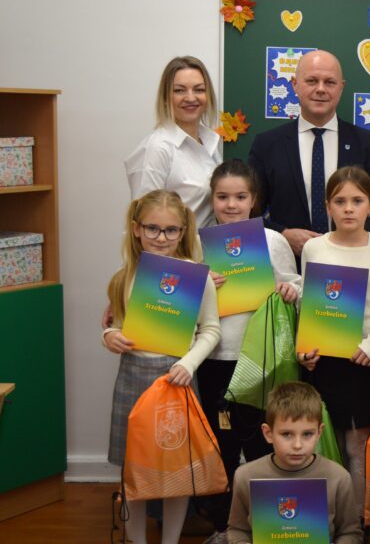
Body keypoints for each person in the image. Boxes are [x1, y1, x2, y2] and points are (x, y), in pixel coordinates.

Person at [102, 189, 221, 544]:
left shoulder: (197, 276)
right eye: (152, 228)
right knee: (134, 470)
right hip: (133, 377)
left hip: (177, 379)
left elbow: (211, 330)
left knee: (176, 470)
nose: (161, 237)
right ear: (137, 229)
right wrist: (109, 336)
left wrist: (189, 362)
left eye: (171, 230)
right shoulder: (126, 276)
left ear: (183, 231)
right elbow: (116, 325)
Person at [196, 160, 301, 544]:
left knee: (261, 441)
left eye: (240, 196)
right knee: (221, 444)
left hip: (261, 358)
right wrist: (200, 283)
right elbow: (180, 306)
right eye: (223, 197)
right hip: (215, 359)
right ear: (212, 199)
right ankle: (224, 527)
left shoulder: (272, 241)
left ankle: (268, 526)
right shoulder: (199, 243)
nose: (231, 204)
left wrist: (290, 290)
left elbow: (296, 287)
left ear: (253, 199)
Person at [297, 166, 370, 511]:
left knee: (357, 446)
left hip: (364, 361)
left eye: (357, 201)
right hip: (323, 361)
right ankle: (326, 522)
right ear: (328, 206)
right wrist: (303, 351)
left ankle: (355, 526)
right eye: (340, 201)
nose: (349, 208)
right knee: (325, 444)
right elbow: (308, 305)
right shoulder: (314, 248)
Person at [249, 49, 370, 257]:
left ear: (341, 87)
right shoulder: (267, 145)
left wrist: (349, 241)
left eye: (329, 82)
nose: (320, 89)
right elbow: (247, 212)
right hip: (287, 267)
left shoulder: (367, 143)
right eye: (311, 81)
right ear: (295, 84)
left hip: (351, 264)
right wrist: (282, 235)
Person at [227, 381, 362, 544]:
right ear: (268, 433)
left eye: (307, 434)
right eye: (287, 434)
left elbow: (350, 532)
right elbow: (237, 530)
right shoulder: (245, 476)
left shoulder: (338, 477)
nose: (297, 445)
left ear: (319, 433)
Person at [125, 56, 222, 228]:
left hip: (211, 244)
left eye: (199, 89)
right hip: (177, 246)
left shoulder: (210, 142)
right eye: (179, 90)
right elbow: (145, 221)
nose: (190, 98)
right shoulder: (156, 148)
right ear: (165, 97)